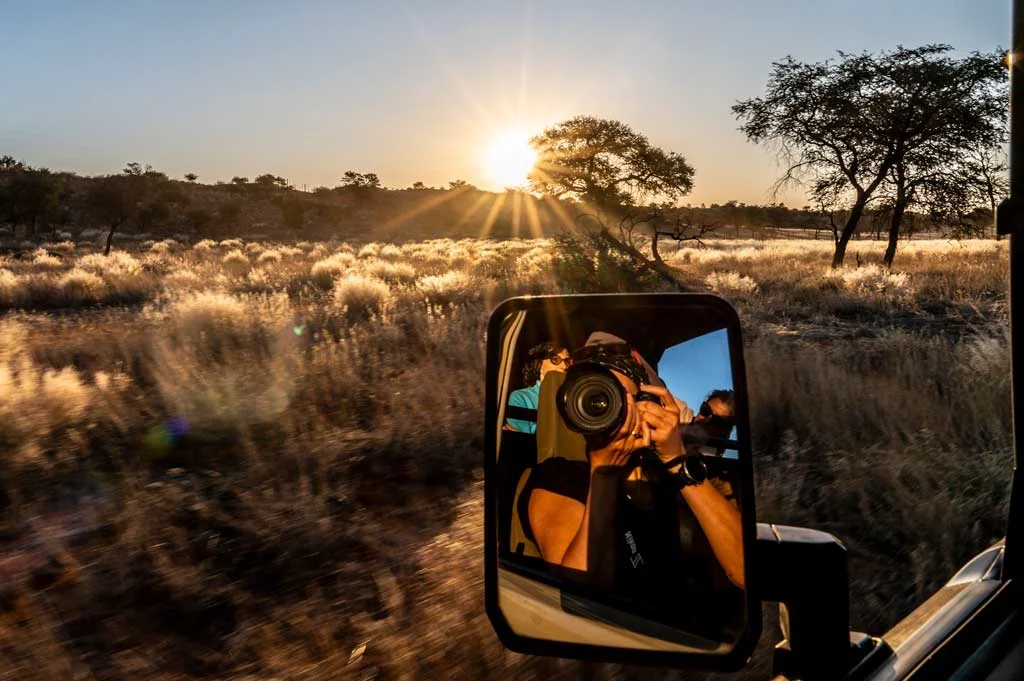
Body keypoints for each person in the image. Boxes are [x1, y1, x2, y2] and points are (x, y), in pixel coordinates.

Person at [521, 336, 744, 637]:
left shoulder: (683, 477)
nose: (605, 409)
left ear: (647, 407)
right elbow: (578, 599)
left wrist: (676, 460)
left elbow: (746, 571)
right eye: (594, 397)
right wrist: (603, 472)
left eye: (617, 397)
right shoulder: (558, 477)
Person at [505, 342, 570, 434]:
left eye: (567, 361)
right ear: (539, 365)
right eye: (555, 359)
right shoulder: (521, 397)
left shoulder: (573, 396)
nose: (564, 366)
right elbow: (521, 440)